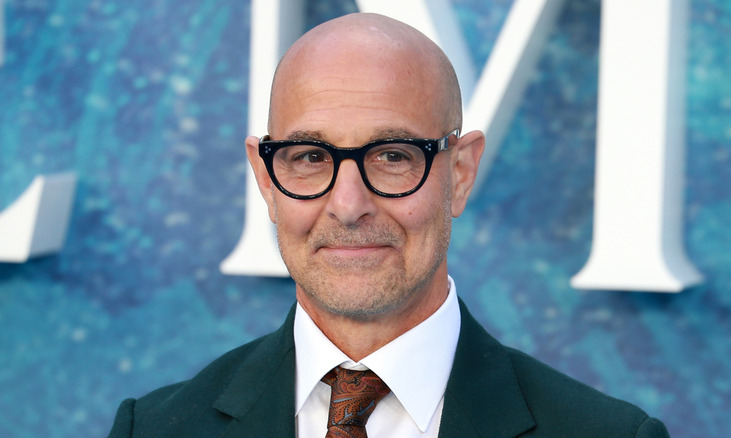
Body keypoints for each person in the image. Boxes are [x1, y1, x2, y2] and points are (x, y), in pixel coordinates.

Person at [108, 12, 670, 438]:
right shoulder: (153, 428)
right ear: (264, 177)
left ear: (462, 173)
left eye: (393, 156)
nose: (348, 204)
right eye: (309, 157)